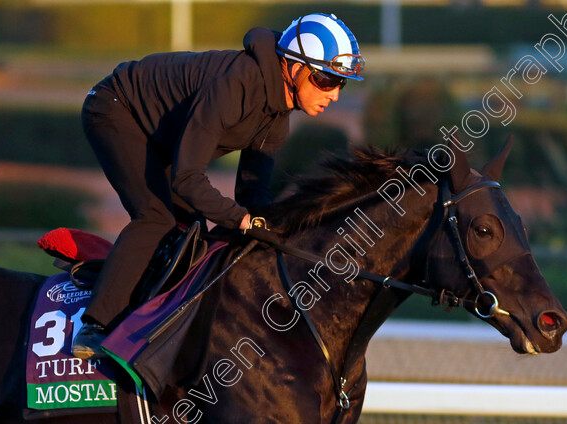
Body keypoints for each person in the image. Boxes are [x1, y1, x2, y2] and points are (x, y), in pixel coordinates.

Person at [72, 13, 365, 359]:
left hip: (163, 135)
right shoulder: (235, 84)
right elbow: (188, 178)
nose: (333, 93)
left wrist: (278, 230)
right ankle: (95, 326)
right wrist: (240, 220)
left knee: (193, 227)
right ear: (294, 67)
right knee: (155, 217)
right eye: (326, 79)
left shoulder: (277, 118)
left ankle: (149, 316)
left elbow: (253, 195)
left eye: (341, 83)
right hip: (116, 109)